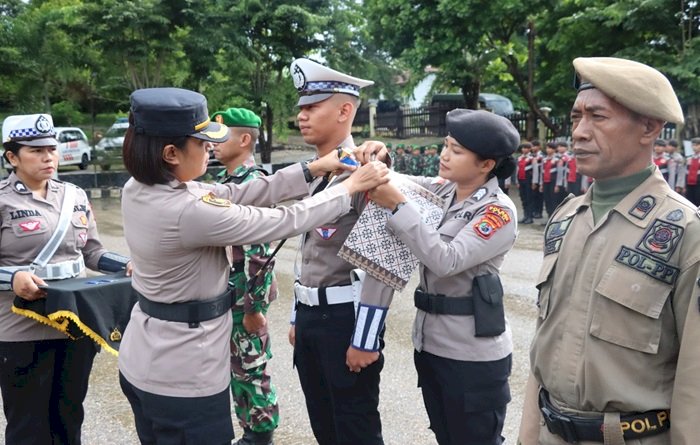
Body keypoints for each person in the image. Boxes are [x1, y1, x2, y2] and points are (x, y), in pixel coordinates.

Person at [117, 87, 389, 445]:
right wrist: (348, 187)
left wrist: (315, 168)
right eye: (200, 143)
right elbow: (284, 220)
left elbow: (239, 193)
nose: (209, 148)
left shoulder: (140, 188)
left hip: (145, 359)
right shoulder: (188, 210)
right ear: (171, 153)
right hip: (183, 375)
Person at [518, 57, 699, 444]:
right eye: (576, 118)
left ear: (649, 127)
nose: (579, 133)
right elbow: (543, 344)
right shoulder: (567, 217)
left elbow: (695, 380)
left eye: (598, 117)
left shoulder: (686, 231)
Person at [369, 109, 519, 445]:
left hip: (472, 356)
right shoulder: (446, 190)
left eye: (456, 150)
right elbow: (400, 181)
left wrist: (398, 208)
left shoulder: (497, 211)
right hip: (432, 346)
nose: (444, 155)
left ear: (486, 165)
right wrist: (379, 158)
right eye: (445, 145)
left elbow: (446, 260)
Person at [0, 113, 132, 444]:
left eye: (52, 149)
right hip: (21, 330)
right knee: (27, 424)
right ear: (11, 157)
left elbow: (93, 253)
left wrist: (128, 265)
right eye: (36, 151)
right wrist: (13, 278)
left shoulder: (73, 195)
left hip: (75, 325)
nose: (48, 157)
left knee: (69, 416)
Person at [287, 58, 394, 445]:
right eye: (301, 107)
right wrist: (298, 312)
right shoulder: (320, 172)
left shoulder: (369, 171)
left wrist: (366, 338)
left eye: (312, 107)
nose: (301, 116)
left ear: (345, 110)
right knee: (325, 427)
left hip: (346, 321)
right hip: (314, 319)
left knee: (355, 429)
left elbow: (383, 257)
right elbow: (309, 250)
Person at [210, 107, 278, 445]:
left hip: (244, 296)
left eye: (222, 137)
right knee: (237, 365)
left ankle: (260, 434)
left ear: (245, 139)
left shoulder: (255, 184)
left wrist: (255, 306)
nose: (213, 143)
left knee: (251, 366)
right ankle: (250, 430)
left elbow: (259, 253)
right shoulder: (225, 182)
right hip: (229, 293)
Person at [516, 142, 534, 224]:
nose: (524, 149)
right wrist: (517, 181)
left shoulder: (532, 158)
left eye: (526, 148)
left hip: (528, 180)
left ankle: (530, 217)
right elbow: (517, 170)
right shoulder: (520, 158)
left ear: (530, 149)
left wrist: (534, 182)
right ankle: (525, 216)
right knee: (523, 199)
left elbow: (535, 171)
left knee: (529, 198)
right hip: (521, 180)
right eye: (523, 148)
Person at [530, 139, 544, 218]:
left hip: (539, 178)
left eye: (534, 146)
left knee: (539, 196)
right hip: (531, 178)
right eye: (532, 146)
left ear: (538, 146)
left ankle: (539, 212)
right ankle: (534, 211)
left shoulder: (541, 156)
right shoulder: (531, 155)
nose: (533, 148)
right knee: (533, 195)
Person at [684, 137, 700, 205]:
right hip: (689, 184)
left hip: (698, 184)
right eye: (693, 145)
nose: (694, 147)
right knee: (690, 203)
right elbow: (686, 172)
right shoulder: (689, 158)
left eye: (696, 145)